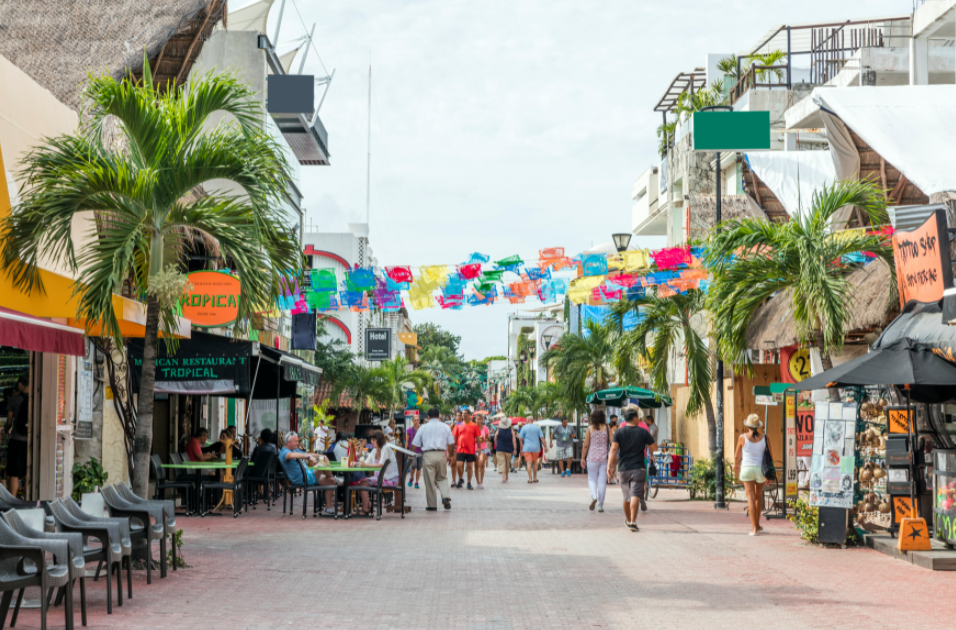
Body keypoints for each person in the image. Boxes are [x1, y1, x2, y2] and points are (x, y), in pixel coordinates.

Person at [608, 409, 656, 532]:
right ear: (634, 418)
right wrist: (649, 446)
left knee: (626, 497)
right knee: (635, 495)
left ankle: (628, 520)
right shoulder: (643, 431)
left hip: (623, 468)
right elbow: (654, 446)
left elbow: (613, 450)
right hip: (639, 468)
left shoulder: (618, 432)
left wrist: (609, 466)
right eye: (638, 417)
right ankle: (633, 522)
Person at [279, 431, 337, 516]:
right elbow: (290, 456)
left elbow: (307, 453)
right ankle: (336, 479)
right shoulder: (285, 452)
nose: (298, 443)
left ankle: (328, 509)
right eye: (295, 441)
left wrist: (320, 456)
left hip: (308, 475)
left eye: (298, 441)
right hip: (302, 479)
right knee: (324, 463)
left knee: (330, 481)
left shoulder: (294, 449)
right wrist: (308, 457)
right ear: (288, 442)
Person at [411, 408, 455, 511]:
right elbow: (451, 443)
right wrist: (451, 456)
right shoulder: (446, 427)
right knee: (442, 477)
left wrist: (410, 455)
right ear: (438, 416)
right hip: (441, 454)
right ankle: (445, 496)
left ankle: (432, 505)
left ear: (428, 417)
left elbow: (414, 444)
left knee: (429, 481)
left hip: (428, 455)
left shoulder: (423, 427)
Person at [347, 430, 400, 515]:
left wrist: (365, 465)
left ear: (380, 440)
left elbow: (380, 465)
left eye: (374, 440)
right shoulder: (374, 451)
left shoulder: (385, 448)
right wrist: (356, 463)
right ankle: (368, 505)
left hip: (390, 479)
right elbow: (366, 462)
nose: (372, 442)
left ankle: (365, 509)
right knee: (357, 483)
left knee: (363, 483)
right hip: (380, 478)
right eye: (371, 439)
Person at [735, 413, 768, 536]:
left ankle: (754, 529)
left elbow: (737, 455)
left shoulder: (742, 437)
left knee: (750, 497)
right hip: (761, 470)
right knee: (758, 497)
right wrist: (770, 474)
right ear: (758, 426)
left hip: (747, 468)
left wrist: (736, 464)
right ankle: (758, 525)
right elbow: (770, 456)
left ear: (747, 426)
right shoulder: (765, 438)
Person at [581, 409, 610, 512]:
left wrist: (582, 458)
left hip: (591, 458)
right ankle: (600, 505)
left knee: (592, 479)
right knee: (602, 482)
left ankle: (594, 496)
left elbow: (586, 445)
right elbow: (612, 442)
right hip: (604, 458)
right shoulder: (607, 428)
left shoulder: (590, 428)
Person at [5, 376, 29, 497]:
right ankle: (28, 500)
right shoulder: (35, 399)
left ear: (20, 384)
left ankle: (12, 501)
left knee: (14, 473)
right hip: (30, 443)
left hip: (16, 440)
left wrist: (6, 429)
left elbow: (9, 422)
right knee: (27, 472)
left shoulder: (14, 399)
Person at [454, 410, 481, 489]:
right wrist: (453, 448)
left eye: (465, 413)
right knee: (459, 465)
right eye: (462, 414)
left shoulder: (474, 425)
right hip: (460, 449)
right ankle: (460, 479)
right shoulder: (458, 425)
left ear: (470, 415)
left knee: (469, 467)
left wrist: (478, 448)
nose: (463, 415)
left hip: (470, 450)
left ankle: (469, 482)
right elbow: (454, 437)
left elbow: (478, 438)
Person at [518, 419, 544, 483]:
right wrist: (545, 446)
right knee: (535, 462)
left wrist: (522, 446)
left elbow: (520, 438)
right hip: (535, 448)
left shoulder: (524, 428)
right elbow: (542, 438)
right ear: (532, 421)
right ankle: (535, 478)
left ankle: (530, 479)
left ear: (527, 421)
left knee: (529, 463)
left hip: (527, 448)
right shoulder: (537, 428)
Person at [494, 415, 516, 483]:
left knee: (501, 463)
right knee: (507, 463)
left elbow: (495, 439)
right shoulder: (511, 431)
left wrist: (498, 444)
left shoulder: (498, 430)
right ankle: (506, 476)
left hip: (500, 448)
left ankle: (503, 477)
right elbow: (514, 441)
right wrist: (515, 449)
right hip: (508, 449)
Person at [405, 415, 423, 489]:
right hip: (412, 451)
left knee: (419, 467)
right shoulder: (409, 430)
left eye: (417, 420)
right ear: (413, 421)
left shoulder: (422, 430)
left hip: (420, 451)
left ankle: (416, 482)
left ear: (419, 421)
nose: (416, 421)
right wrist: (406, 451)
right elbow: (407, 441)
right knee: (413, 465)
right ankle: (411, 477)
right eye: (415, 420)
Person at [475, 415, 490, 489]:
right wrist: (477, 440)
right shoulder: (473, 428)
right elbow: (471, 439)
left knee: (481, 464)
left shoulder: (485, 428)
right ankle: (477, 481)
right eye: (477, 419)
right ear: (475, 420)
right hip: (474, 448)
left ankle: (481, 481)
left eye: (480, 419)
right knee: (476, 466)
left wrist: (483, 439)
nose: (479, 421)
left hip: (483, 448)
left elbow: (487, 438)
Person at [450, 411, 464, 487]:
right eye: (457, 416)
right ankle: (453, 480)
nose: (458, 417)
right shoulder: (453, 426)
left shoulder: (464, 425)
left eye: (460, 415)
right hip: (454, 447)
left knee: (460, 465)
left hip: (462, 447)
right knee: (453, 464)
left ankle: (460, 479)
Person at [606, 415, 619, 484]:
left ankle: (609, 479)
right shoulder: (612, 432)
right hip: (612, 450)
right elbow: (613, 442)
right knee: (613, 465)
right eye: (615, 425)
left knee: (611, 465)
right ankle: (610, 478)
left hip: (609, 450)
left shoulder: (608, 430)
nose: (616, 426)